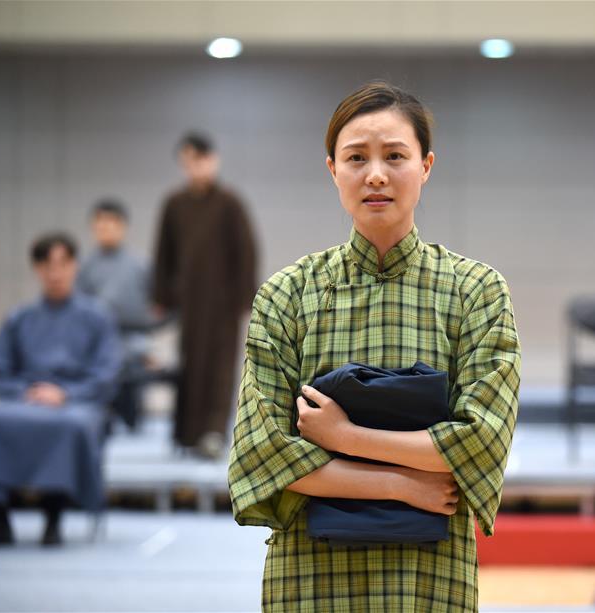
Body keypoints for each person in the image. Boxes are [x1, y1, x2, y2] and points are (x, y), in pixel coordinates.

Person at [228, 81, 521, 612]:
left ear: (426, 166)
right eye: (357, 157)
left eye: (395, 156)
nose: (376, 174)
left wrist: (343, 436)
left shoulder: (476, 292)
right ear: (332, 170)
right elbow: (262, 455)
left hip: (428, 581)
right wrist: (402, 486)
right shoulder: (286, 295)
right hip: (308, 580)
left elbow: (480, 444)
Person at [0, 233, 122, 546]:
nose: (55, 273)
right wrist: (26, 392)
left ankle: (53, 516)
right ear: (37, 269)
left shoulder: (97, 317)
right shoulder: (20, 317)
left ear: (74, 266)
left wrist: (66, 394)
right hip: (25, 399)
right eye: (47, 265)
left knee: (70, 425)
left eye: (62, 264)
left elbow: (107, 371)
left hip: (77, 402)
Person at [151, 133, 259, 458]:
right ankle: (186, 433)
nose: (195, 168)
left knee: (221, 366)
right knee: (189, 365)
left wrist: (245, 298)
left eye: (200, 160)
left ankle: (213, 432)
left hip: (223, 303)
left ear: (213, 161)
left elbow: (246, 251)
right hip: (189, 301)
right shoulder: (174, 203)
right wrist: (161, 296)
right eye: (188, 162)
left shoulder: (229, 202)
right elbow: (163, 252)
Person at [78, 199, 156, 429]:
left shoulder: (141, 265)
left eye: (111, 224)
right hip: (96, 343)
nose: (106, 230)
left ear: (122, 227)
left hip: (134, 341)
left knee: (134, 360)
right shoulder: (84, 268)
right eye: (100, 225)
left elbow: (157, 308)